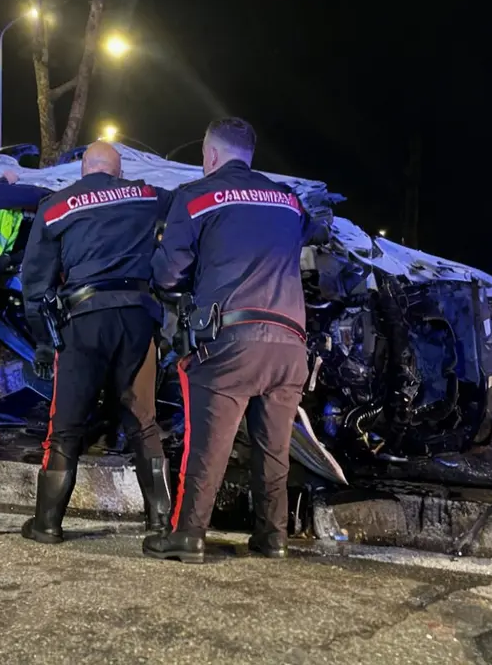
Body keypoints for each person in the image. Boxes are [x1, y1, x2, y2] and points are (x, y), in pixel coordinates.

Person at [145, 117, 313, 563]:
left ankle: (188, 535)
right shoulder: (289, 200)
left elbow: (167, 275)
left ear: (212, 154)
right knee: (274, 449)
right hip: (290, 344)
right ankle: (273, 537)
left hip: (229, 343)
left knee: (208, 446)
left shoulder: (197, 197)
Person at [18, 141, 172, 545]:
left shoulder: (56, 206)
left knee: (65, 427)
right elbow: (186, 214)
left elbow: (35, 283)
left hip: (83, 321)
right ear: (118, 172)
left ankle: (47, 525)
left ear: (83, 170)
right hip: (138, 319)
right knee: (144, 424)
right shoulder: (145, 193)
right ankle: (160, 525)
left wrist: (44, 342)